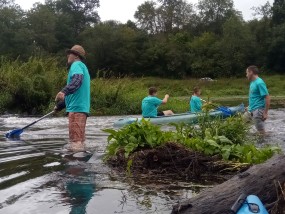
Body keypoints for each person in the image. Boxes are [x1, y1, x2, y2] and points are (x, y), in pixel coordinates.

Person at [55, 45, 90, 152]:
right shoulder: (82, 67)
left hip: (76, 109)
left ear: (76, 56)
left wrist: (63, 91)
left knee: (75, 141)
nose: (68, 56)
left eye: (69, 53)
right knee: (79, 140)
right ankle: (79, 163)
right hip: (79, 108)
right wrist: (59, 106)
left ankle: (75, 166)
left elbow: (77, 81)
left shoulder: (76, 64)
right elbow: (75, 93)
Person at [244, 65, 270, 135]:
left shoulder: (259, 82)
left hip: (258, 111)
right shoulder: (252, 82)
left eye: (247, 73)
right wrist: (249, 106)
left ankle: (265, 143)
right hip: (251, 109)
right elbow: (253, 96)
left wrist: (265, 112)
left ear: (251, 72)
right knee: (241, 123)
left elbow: (267, 97)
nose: (246, 75)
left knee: (261, 132)